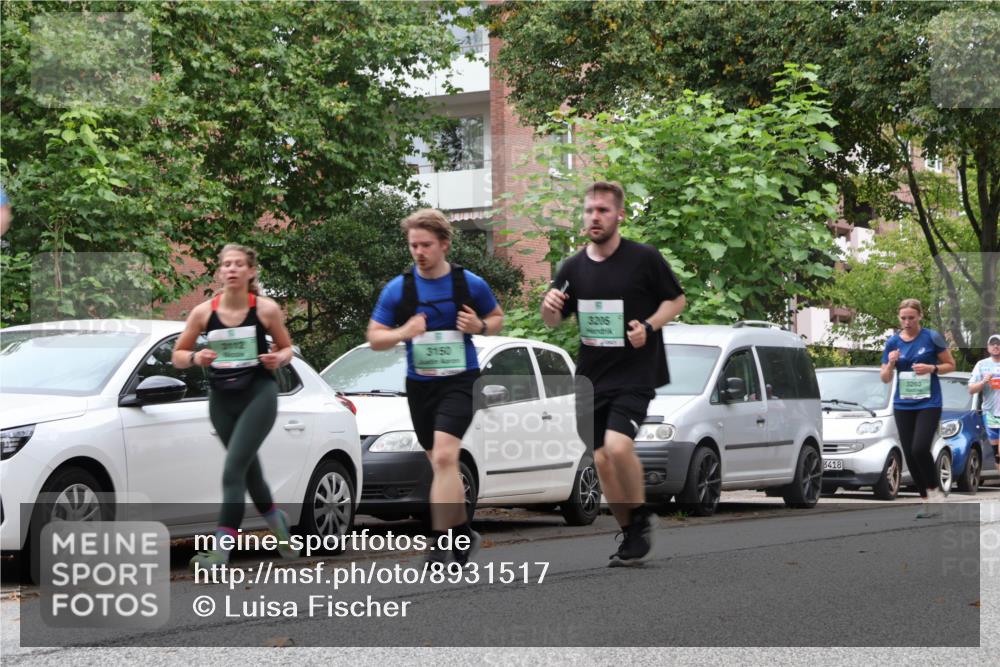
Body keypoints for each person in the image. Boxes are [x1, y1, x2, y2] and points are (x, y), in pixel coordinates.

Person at [541, 181, 686, 566]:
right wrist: (549, 305)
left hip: (637, 372)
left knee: (618, 446)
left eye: (603, 210)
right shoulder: (572, 267)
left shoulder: (644, 258)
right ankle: (631, 531)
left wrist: (650, 328)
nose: (595, 217)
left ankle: (638, 517)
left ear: (619, 215)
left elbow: (677, 300)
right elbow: (553, 321)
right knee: (602, 459)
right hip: (592, 377)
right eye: (589, 210)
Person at [367, 209, 503, 567]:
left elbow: (497, 318)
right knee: (442, 464)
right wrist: (403, 332)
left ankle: (440, 541)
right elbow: (375, 338)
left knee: (444, 456)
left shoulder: (468, 284)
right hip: (420, 385)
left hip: (461, 380)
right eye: (413, 245)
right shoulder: (400, 289)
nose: (419, 251)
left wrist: (479, 326)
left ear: (444, 244)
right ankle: (464, 533)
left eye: (426, 244)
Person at [173, 243, 299, 569]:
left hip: (259, 393)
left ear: (250, 272)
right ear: (219, 272)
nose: (231, 269)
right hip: (221, 399)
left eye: (238, 264)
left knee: (233, 470)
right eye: (226, 264)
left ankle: (219, 552)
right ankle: (277, 522)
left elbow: (287, 349)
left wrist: (277, 359)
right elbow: (178, 356)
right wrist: (196, 357)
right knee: (248, 470)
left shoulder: (266, 310)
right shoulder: (203, 312)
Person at [879, 298, 956, 518]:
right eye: (903, 318)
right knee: (910, 455)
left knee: (920, 448)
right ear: (899, 318)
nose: (907, 322)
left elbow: (951, 365)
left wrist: (932, 368)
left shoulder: (931, 337)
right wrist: (892, 363)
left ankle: (936, 493)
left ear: (919, 316)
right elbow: (884, 378)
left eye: (911, 318)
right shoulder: (893, 342)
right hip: (903, 404)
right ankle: (927, 500)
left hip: (929, 403)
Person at [969, 333, 1000, 465]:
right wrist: (983, 382)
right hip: (990, 413)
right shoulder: (981, 365)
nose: (996, 346)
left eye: (998, 344)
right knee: (997, 454)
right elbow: (971, 389)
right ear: (988, 347)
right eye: (993, 344)